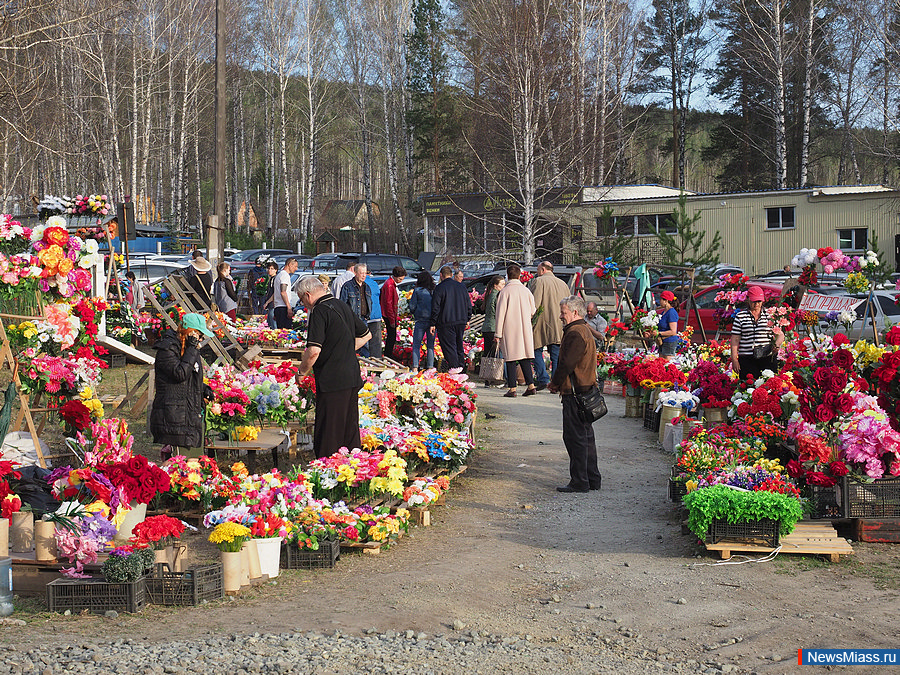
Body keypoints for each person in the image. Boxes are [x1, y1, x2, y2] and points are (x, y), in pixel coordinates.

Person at [296, 275, 371, 458]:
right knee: (349, 426)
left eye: (301, 299)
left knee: (330, 429)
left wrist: (301, 372)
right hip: (350, 375)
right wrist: (343, 348)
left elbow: (313, 350)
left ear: (307, 295)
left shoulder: (319, 310)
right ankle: (352, 465)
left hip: (333, 378)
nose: (303, 304)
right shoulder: (340, 304)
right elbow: (366, 334)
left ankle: (327, 466)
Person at [548, 295, 602, 493]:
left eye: (563, 312)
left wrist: (555, 383)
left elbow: (567, 364)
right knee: (585, 437)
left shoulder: (575, 332)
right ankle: (592, 479)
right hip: (584, 390)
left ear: (575, 312)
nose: (561, 316)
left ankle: (580, 480)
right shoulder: (582, 330)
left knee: (575, 438)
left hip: (576, 392)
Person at [150, 312, 215, 459]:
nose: (201, 339)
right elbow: (179, 374)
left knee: (192, 462)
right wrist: (192, 349)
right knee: (178, 463)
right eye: (199, 335)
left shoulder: (190, 348)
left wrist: (203, 388)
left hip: (187, 412)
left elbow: (190, 376)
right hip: (173, 415)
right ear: (190, 332)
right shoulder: (167, 349)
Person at [495, 263, 537, 397]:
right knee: (524, 356)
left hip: (509, 328)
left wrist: (498, 333)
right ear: (519, 275)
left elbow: (500, 314)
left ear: (507, 276)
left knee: (511, 358)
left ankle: (512, 388)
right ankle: (531, 385)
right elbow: (533, 310)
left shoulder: (505, 292)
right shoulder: (526, 291)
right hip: (524, 327)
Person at [530, 261, 570, 391]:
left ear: (542, 269)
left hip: (542, 322)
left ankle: (543, 379)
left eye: (537, 269)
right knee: (556, 354)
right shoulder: (563, 284)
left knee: (535, 350)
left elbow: (534, 304)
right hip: (559, 323)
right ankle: (556, 382)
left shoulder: (539, 281)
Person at [731, 285, 784, 381]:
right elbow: (735, 339)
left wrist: (777, 344)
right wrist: (734, 359)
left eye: (758, 301)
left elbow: (780, 334)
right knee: (748, 387)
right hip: (747, 358)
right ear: (748, 300)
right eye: (753, 301)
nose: (756, 304)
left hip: (767, 357)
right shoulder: (740, 316)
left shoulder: (770, 315)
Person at [431, 265, 472, 373]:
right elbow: (468, 303)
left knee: (449, 347)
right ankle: (462, 369)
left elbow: (436, 307)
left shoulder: (440, 288)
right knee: (459, 346)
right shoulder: (461, 287)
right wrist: (468, 317)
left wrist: (433, 323)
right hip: (461, 321)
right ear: (452, 275)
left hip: (446, 321)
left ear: (441, 275)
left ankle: (455, 370)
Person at [339, 263, 374, 357]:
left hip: (363, 319)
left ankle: (366, 365)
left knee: (365, 344)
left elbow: (370, 302)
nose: (363, 275)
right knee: (352, 343)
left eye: (365, 273)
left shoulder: (367, 287)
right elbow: (342, 304)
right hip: (351, 319)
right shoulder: (347, 286)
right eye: (361, 273)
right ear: (355, 273)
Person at [409, 271, 436, 370]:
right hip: (432, 321)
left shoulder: (417, 291)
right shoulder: (433, 291)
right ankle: (430, 367)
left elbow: (412, 307)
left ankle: (415, 367)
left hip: (420, 320)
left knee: (416, 344)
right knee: (430, 346)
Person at [481, 275, 505, 385]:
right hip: (493, 327)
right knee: (493, 354)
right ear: (496, 285)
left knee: (488, 353)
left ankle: (487, 378)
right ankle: (492, 377)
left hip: (487, 327)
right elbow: (495, 312)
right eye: (502, 284)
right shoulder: (496, 296)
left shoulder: (490, 295)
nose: (503, 286)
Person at [380, 266, 406, 360]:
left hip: (389, 313)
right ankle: (388, 355)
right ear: (395, 276)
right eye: (400, 279)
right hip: (389, 314)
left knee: (392, 336)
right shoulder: (390, 285)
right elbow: (389, 303)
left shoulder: (390, 283)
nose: (401, 281)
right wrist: (392, 319)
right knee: (391, 336)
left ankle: (388, 355)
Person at [273, 258, 298, 329]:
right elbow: (283, 292)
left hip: (278, 306)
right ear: (290, 265)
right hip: (283, 307)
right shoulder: (285, 275)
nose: (296, 269)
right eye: (295, 266)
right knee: (285, 331)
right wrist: (289, 307)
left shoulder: (279, 275)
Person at [364, 272, 383, 358]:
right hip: (376, 315)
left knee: (364, 340)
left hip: (365, 315)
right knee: (376, 342)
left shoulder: (360, 283)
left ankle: (365, 360)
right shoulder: (374, 283)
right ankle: (376, 361)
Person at [656, 290, 680, 358]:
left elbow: (673, 331)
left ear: (666, 301)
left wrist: (659, 333)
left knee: (667, 363)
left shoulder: (671, 312)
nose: (659, 301)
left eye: (661, 299)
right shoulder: (664, 312)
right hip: (662, 342)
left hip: (669, 342)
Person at [261, 261, 279, 328]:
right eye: (268, 268)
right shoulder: (270, 279)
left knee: (273, 324)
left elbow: (275, 293)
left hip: (273, 304)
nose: (269, 270)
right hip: (269, 305)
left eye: (272, 269)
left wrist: (267, 302)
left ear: (276, 270)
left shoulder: (275, 279)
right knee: (269, 324)